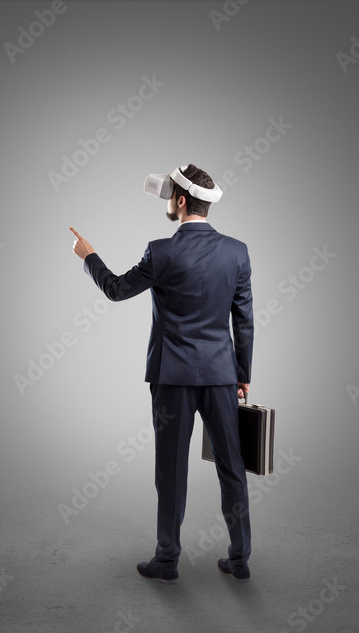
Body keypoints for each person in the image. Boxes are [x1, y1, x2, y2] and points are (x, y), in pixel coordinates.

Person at [69, 163, 254, 585]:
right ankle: (240, 558)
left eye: (171, 196)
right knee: (232, 466)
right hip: (222, 376)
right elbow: (244, 319)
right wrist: (242, 373)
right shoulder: (238, 252)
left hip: (172, 378)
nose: (167, 202)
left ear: (182, 201)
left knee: (171, 470)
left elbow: (117, 289)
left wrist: (89, 256)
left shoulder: (161, 251)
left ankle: (167, 560)